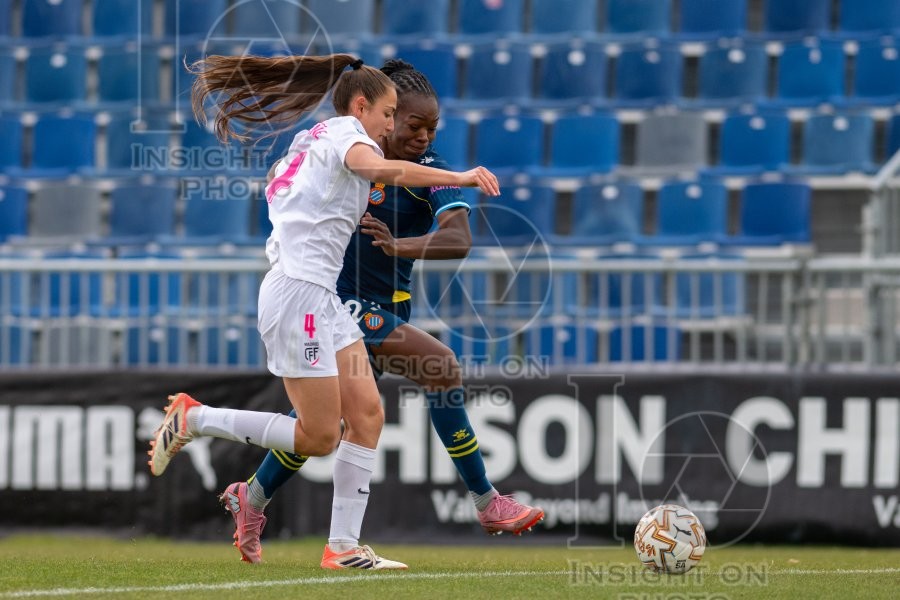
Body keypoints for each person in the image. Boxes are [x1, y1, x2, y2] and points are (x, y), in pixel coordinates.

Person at [147, 53, 501, 571]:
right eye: (388, 113)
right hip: (299, 295)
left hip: (320, 297)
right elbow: (379, 168)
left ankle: (343, 548)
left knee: (367, 414)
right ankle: (194, 418)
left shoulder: (313, 138)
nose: (390, 124)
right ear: (362, 106)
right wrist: (462, 177)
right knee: (318, 435)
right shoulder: (345, 137)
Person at [218, 59, 545, 565]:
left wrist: (400, 247)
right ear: (384, 115)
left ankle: (255, 498)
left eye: (430, 128)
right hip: (338, 303)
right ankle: (486, 500)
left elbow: (458, 239)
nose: (418, 135)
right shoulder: (350, 153)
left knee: (326, 425)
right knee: (440, 367)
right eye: (409, 122)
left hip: (366, 311)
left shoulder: (428, 172)